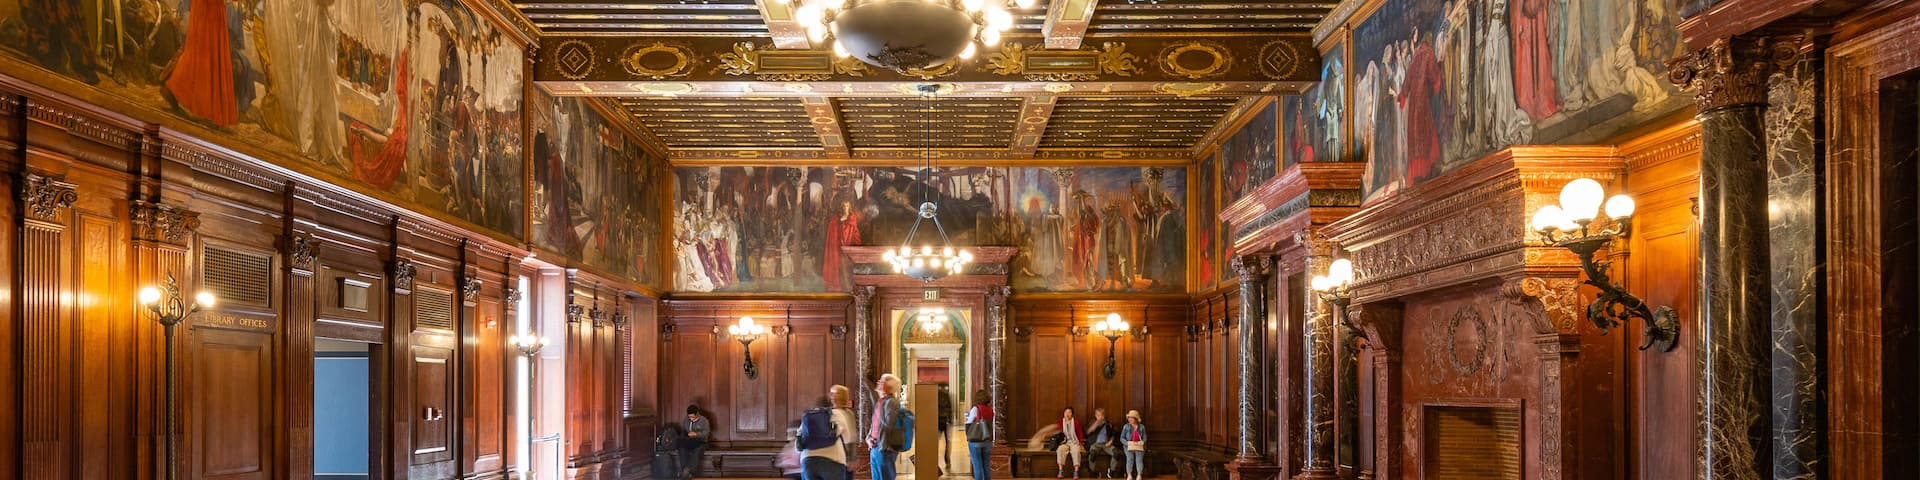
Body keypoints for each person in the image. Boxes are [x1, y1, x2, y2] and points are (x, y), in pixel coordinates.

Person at [801, 391, 857, 480]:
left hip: (808, 460)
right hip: (833, 460)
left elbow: (798, 444)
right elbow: (848, 438)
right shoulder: (836, 414)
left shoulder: (808, 416)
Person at [867, 374, 906, 480]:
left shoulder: (891, 403)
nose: (879, 382)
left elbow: (888, 425)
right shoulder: (881, 402)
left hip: (884, 449)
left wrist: (879, 444)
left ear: (889, 388)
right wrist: (869, 438)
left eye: (882, 381)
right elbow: (874, 424)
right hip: (875, 447)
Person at [965, 389, 994, 480]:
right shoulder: (990, 409)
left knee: (977, 466)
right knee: (986, 464)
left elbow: (969, 422)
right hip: (987, 440)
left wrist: (966, 418)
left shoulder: (976, 409)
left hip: (976, 440)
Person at [1085, 408, 1120, 478]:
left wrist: (1111, 440)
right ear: (1095, 415)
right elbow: (1087, 432)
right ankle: (1093, 472)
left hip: (1106, 444)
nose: (1099, 417)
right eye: (1098, 415)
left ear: (1104, 416)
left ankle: (1112, 471)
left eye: (1101, 415)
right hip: (1095, 444)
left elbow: (1114, 433)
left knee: (1116, 453)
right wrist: (1095, 425)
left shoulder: (1108, 423)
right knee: (1092, 454)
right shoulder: (1092, 422)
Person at [682, 405, 712, 479]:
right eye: (689, 417)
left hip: (701, 442)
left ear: (697, 414)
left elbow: (706, 433)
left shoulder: (704, 421)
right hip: (689, 441)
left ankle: (688, 470)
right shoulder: (686, 420)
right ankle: (684, 470)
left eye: (692, 417)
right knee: (682, 448)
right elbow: (683, 432)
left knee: (697, 450)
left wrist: (696, 434)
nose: (691, 419)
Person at [1056, 407, 1084, 479]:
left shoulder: (1076, 423)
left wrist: (1080, 443)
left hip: (1074, 442)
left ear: (1072, 414)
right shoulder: (1060, 422)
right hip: (1064, 442)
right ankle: (1061, 470)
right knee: (1060, 450)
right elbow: (1058, 434)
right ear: (1064, 414)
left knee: (1076, 451)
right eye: (1066, 412)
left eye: (1069, 412)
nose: (1067, 414)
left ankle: (1076, 471)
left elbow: (1080, 434)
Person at [1121, 411, 1147, 480]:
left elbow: (1145, 438)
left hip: (1139, 446)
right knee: (1130, 458)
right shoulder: (1126, 426)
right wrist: (1128, 443)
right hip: (1128, 446)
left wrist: (1141, 443)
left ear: (1136, 418)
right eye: (1129, 418)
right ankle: (1129, 475)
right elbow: (1122, 438)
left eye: (1131, 418)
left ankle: (1139, 474)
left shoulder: (1142, 427)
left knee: (1139, 459)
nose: (1129, 419)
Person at [937, 383, 955, 474]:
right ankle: (947, 461)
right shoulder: (946, 395)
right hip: (945, 421)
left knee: (935, 442)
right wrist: (951, 420)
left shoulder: (935, 395)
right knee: (948, 442)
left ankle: (933, 461)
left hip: (937, 421)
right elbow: (950, 409)